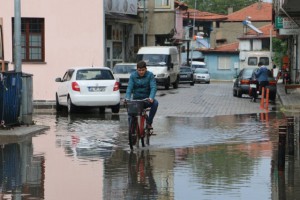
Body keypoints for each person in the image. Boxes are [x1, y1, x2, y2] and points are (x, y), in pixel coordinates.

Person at [125, 60, 158, 129]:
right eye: (139, 70)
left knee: (155, 103)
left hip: (146, 100)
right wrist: (127, 98)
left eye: (143, 70)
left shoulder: (150, 75)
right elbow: (129, 88)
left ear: (146, 69)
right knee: (130, 113)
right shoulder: (133, 76)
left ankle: (149, 122)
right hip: (136, 100)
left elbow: (153, 87)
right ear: (137, 69)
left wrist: (151, 97)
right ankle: (131, 129)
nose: (141, 72)